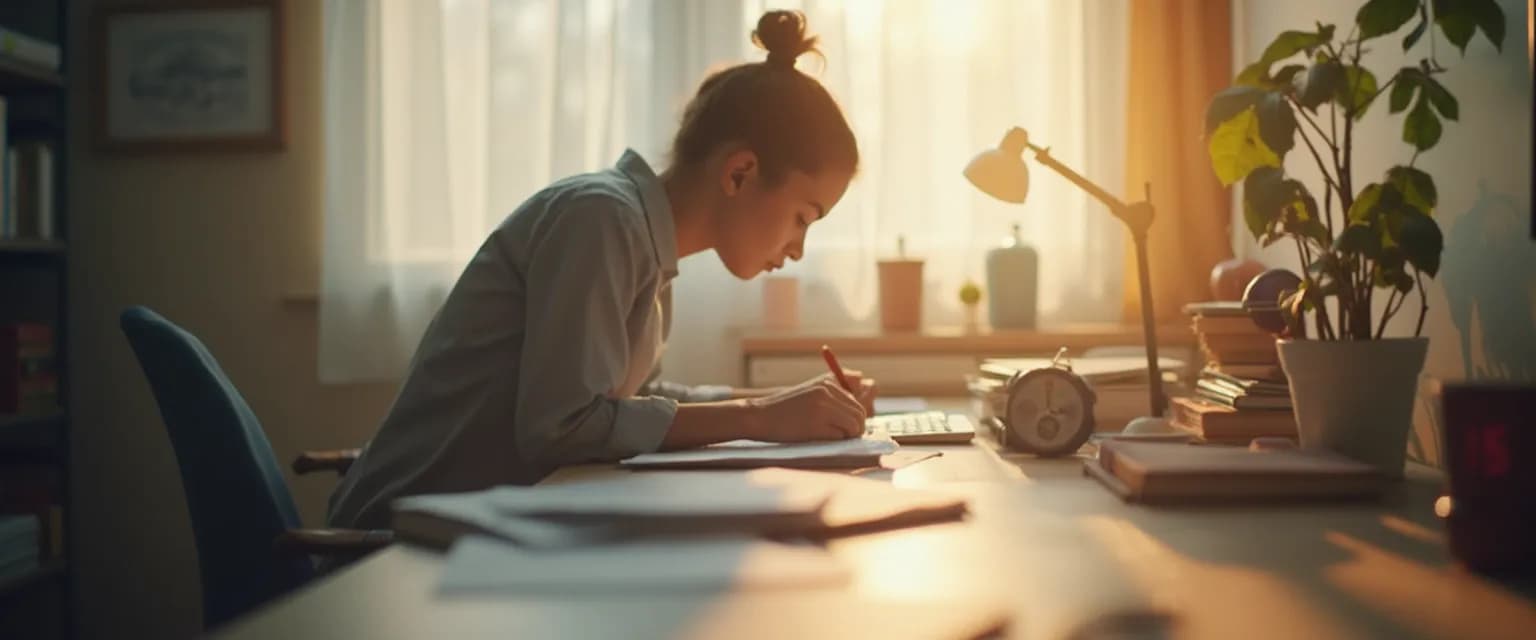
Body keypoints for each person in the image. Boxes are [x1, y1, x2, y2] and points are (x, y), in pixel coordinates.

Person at [327, 11, 874, 530]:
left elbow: (631, 404)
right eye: (803, 217)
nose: (798, 249)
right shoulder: (601, 219)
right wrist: (757, 416)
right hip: (396, 540)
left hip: (485, 528)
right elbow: (562, 428)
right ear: (740, 173)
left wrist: (787, 407)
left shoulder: (644, 240)